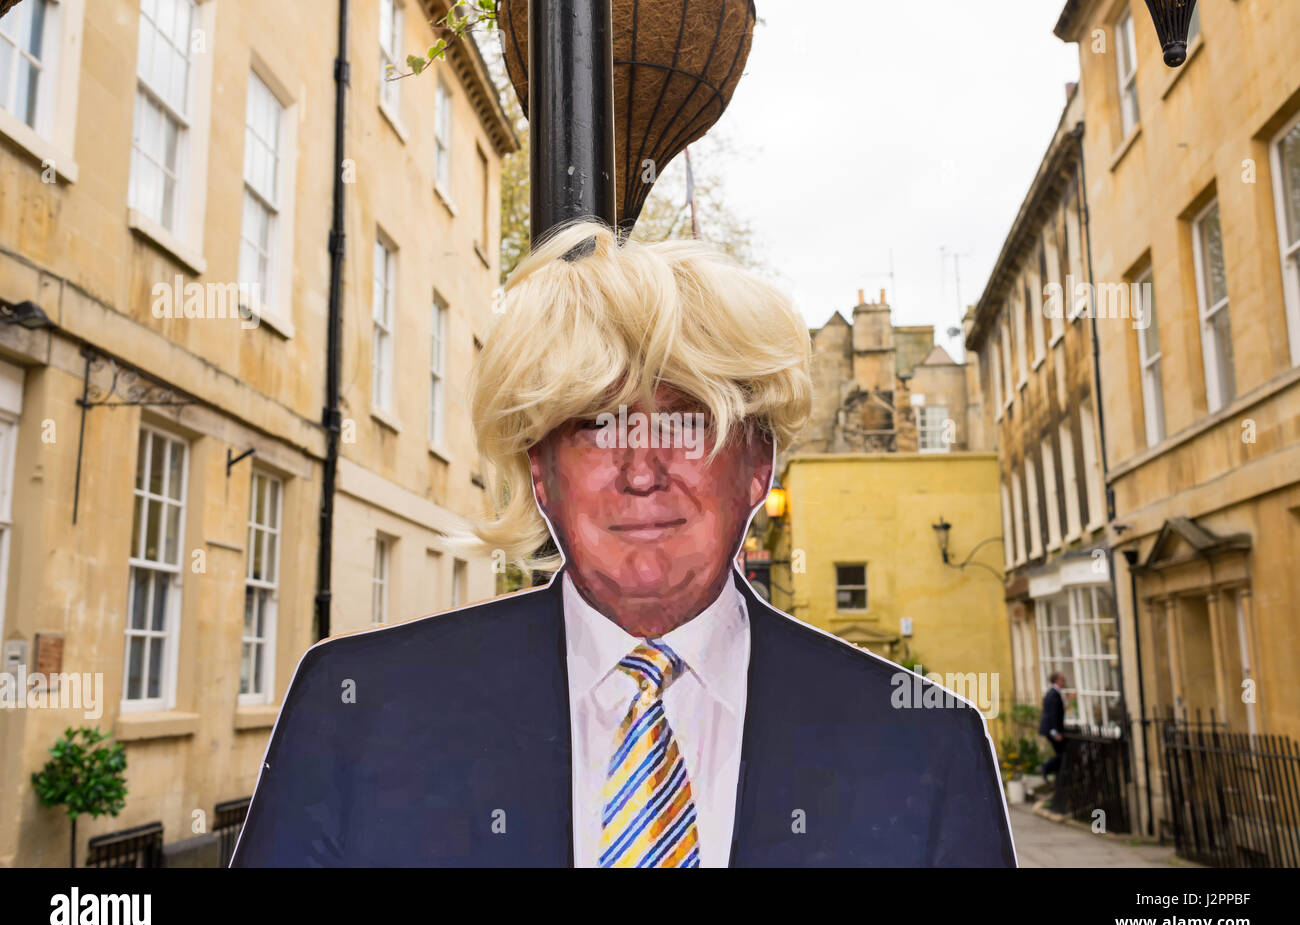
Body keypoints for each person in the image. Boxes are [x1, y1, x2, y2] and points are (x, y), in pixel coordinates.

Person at [230, 220, 1017, 867]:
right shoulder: (357, 712)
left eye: (686, 421)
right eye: (596, 425)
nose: (641, 470)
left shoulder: (925, 748)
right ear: (541, 472)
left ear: (757, 466)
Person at [1039, 672, 1068, 776]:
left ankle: (1052, 772)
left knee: (1061, 754)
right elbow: (1053, 714)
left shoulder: (1052, 692)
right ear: (1056, 680)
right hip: (1052, 730)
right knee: (1062, 755)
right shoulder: (1053, 693)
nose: (1064, 681)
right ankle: (1045, 768)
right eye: (1062, 679)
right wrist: (1055, 732)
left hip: (1050, 729)